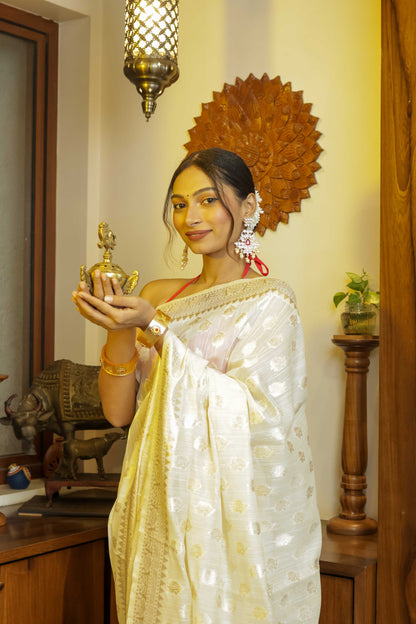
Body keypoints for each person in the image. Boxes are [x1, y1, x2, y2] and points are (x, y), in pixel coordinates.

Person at [72, 148, 321, 624]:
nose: (191, 217)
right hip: (156, 508)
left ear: (248, 206)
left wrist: (156, 330)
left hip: (225, 523)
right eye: (180, 204)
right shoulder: (158, 295)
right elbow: (118, 414)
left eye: (208, 200)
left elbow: (264, 422)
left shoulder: (270, 302)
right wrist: (117, 326)